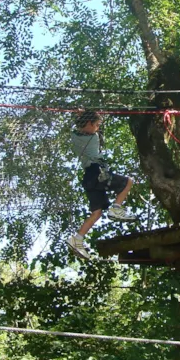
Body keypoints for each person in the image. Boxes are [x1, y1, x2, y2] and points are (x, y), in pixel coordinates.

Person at [67, 110, 137, 260]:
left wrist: (82, 115)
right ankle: (116, 208)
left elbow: (81, 125)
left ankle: (77, 239)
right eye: (97, 125)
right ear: (89, 123)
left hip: (88, 178)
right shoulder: (93, 137)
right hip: (97, 173)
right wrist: (84, 114)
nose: (98, 128)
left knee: (96, 212)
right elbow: (89, 127)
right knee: (128, 182)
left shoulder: (74, 136)